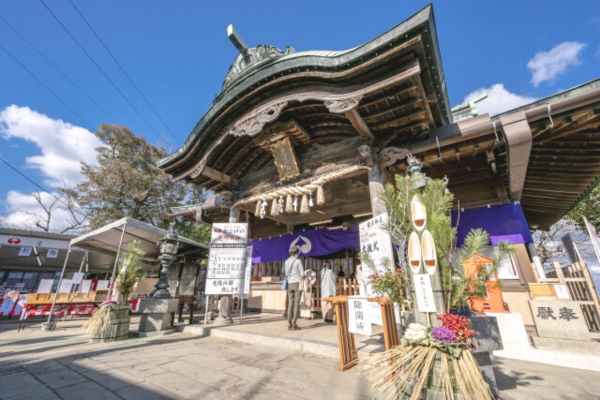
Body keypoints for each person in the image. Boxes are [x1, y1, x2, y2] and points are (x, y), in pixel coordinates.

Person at [284, 246, 305, 330]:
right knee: (296, 304)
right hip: (297, 283)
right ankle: (294, 323)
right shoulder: (298, 261)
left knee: (290, 304)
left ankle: (289, 323)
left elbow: (285, 273)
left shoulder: (286, 262)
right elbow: (302, 274)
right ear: (296, 253)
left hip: (289, 283)